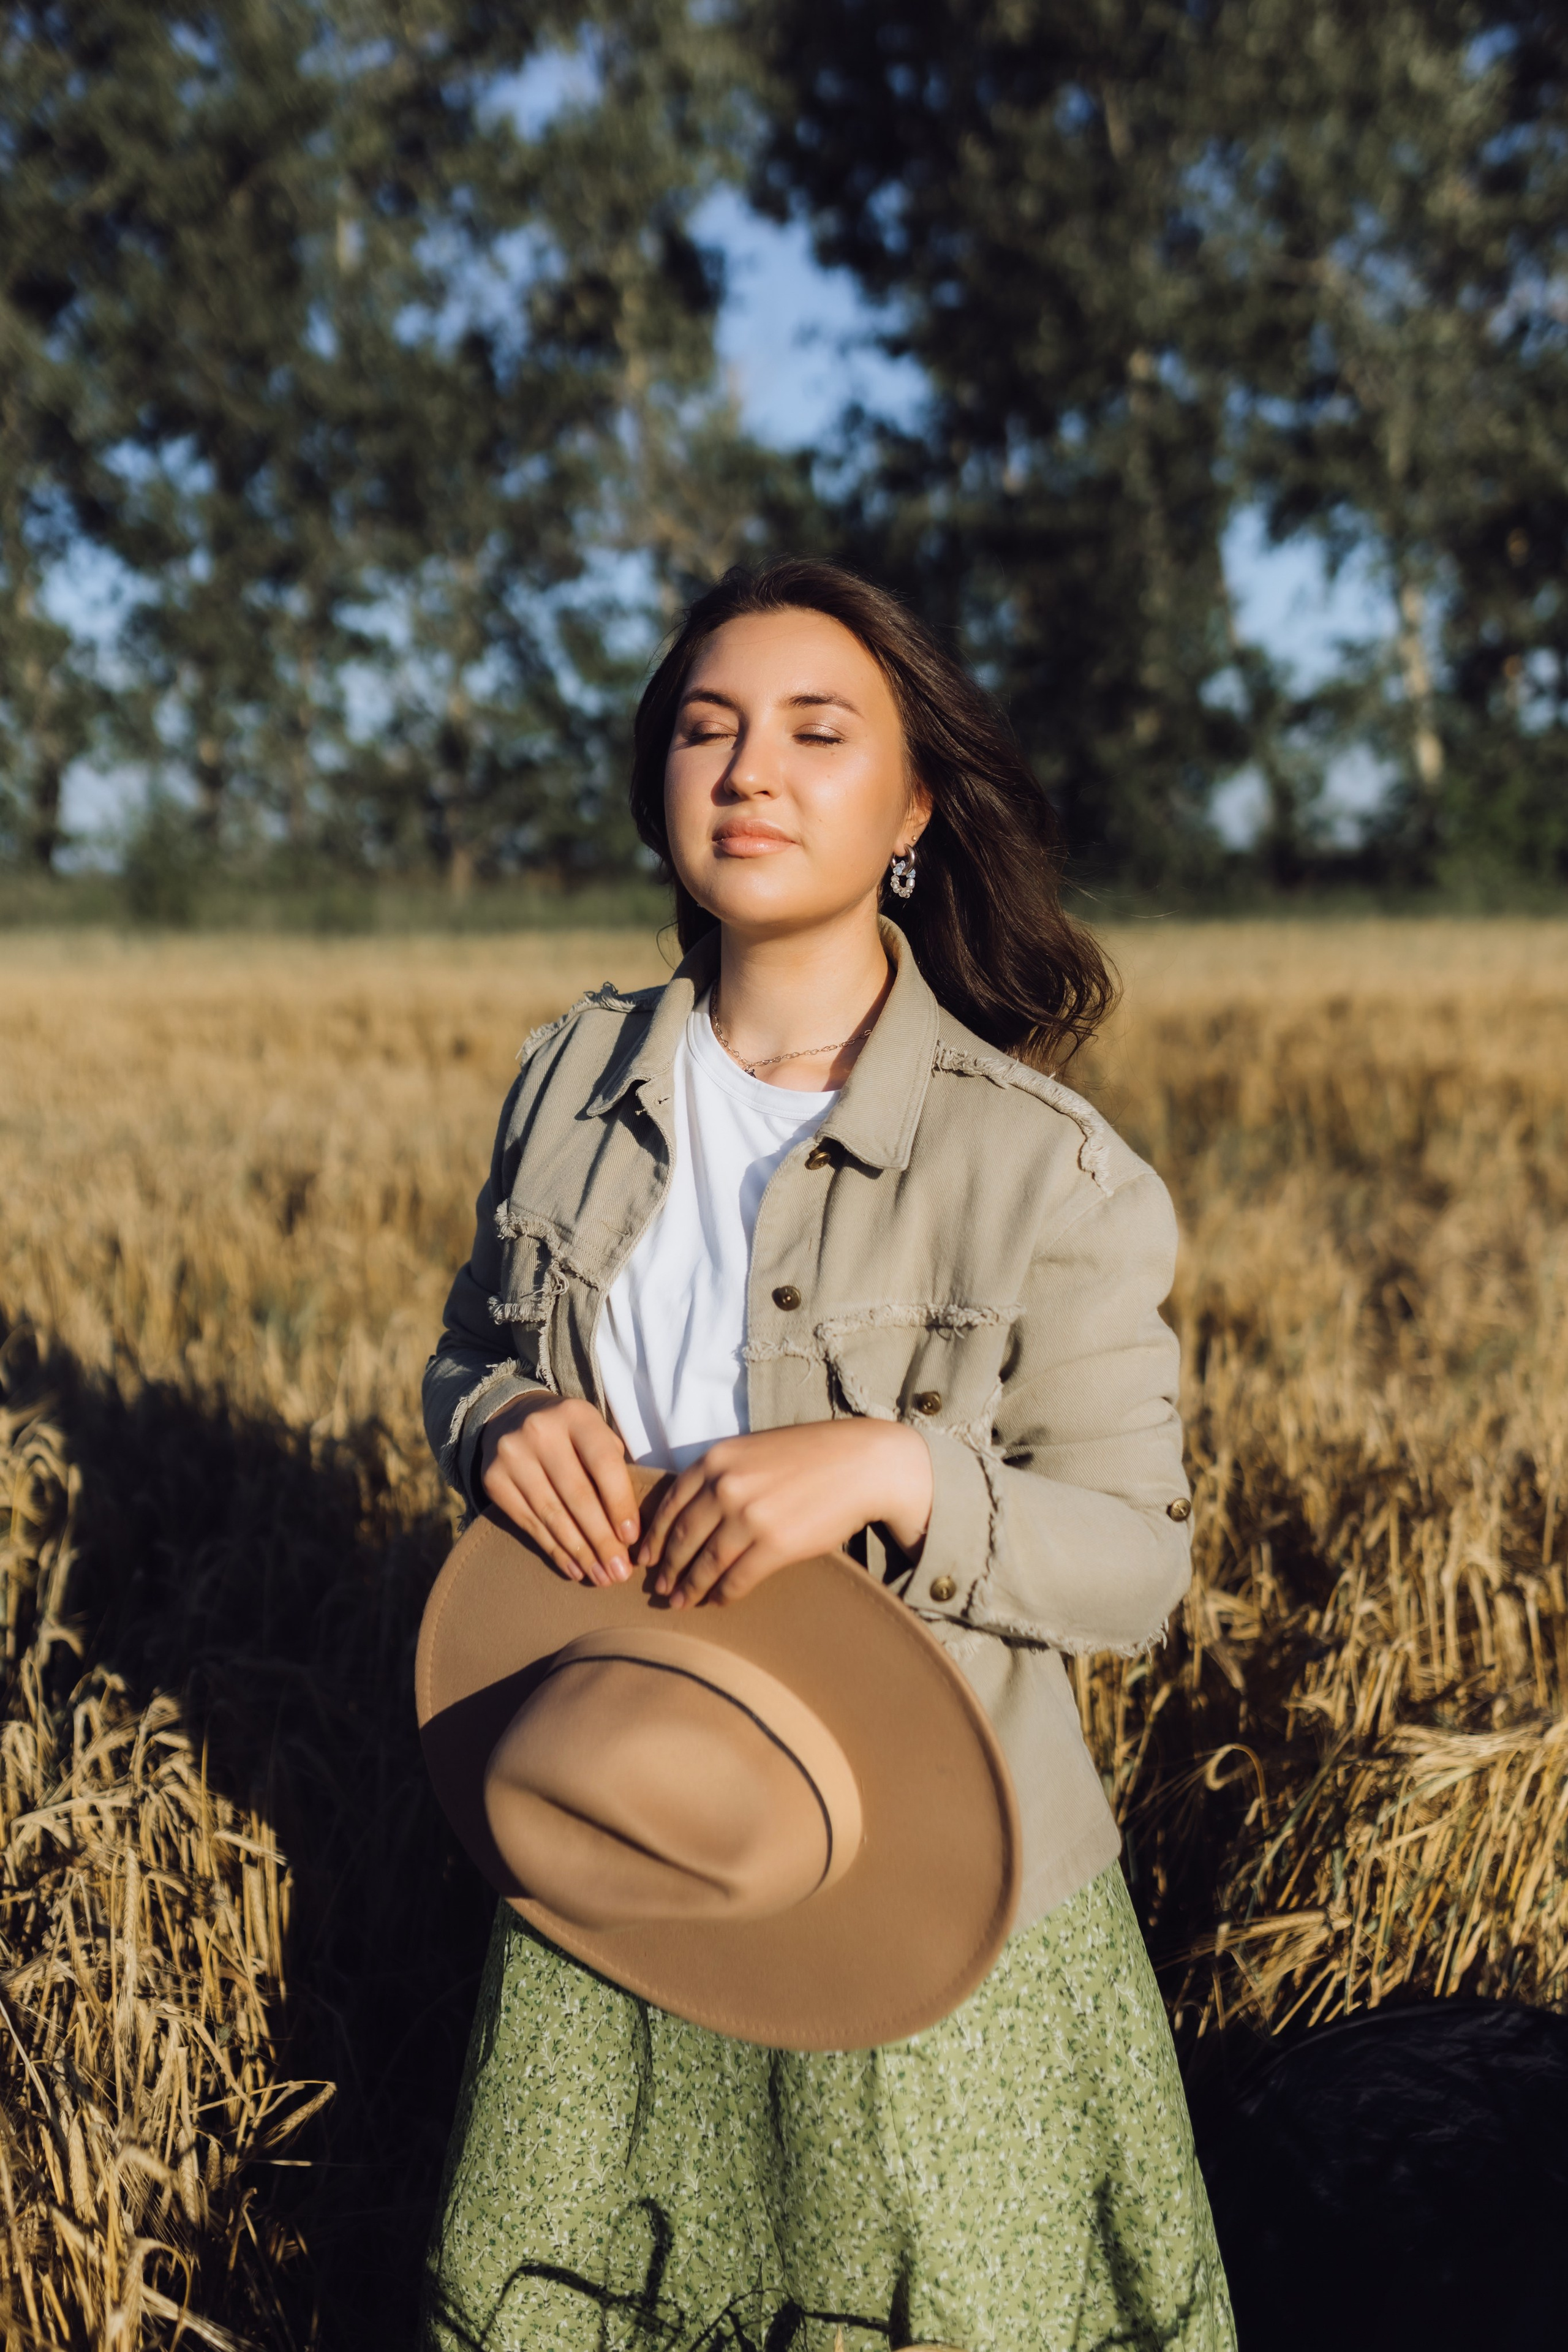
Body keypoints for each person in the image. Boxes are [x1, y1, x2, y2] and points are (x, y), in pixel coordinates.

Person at [420, 558, 1236, 2351]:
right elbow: (469, 1349)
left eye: (816, 733)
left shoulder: (1046, 1170)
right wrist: (494, 1423)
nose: (749, 773)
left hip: (931, 1909)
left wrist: (894, 1472)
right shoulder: (568, 1084)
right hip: (619, 1832)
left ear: (916, 806)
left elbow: (1138, 1564)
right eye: (705, 731)